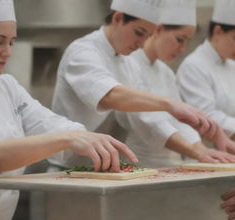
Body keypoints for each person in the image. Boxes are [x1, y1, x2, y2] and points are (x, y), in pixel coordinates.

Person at [0, 0, 138, 220]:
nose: (7, 53)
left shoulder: (6, 86)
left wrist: (83, 137)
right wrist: (67, 139)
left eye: (12, 42)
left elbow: (46, 121)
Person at [50, 0, 220, 170]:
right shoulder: (83, 51)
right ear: (118, 18)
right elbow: (109, 95)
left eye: (147, 36)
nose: (141, 43)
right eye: (139, 32)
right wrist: (170, 105)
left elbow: (146, 114)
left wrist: (198, 148)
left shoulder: (128, 64)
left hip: (101, 168)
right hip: (67, 168)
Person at [115, 0, 235, 168]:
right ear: (158, 29)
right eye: (179, 39)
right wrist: (198, 152)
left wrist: (201, 149)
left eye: (186, 41)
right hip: (137, 165)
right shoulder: (130, 64)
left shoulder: (165, 72)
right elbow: (149, 120)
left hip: (169, 165)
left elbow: (179, 121)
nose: (183, 48)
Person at [178, 0, 235, 142]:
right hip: (203, 156)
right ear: (218, 31)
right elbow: (207, 115)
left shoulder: (231, 65)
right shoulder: (194, 66)